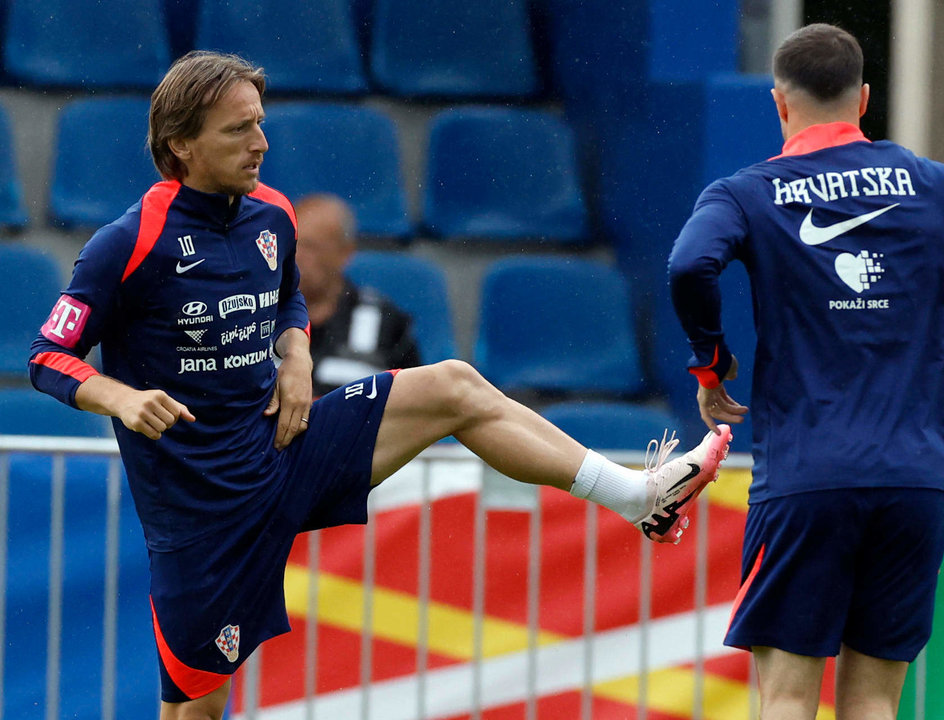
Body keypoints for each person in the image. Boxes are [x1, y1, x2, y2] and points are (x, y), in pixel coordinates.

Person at [26, 51, 732, 719]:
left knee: (454, 385)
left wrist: (296, 353)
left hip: (283, 451)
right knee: (196, 709)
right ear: (180, 144)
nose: (261, 142)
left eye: (261, 122)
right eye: (239, 129)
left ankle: (638, 495)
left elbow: (287, 296)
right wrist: (116, 395)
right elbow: (48, 355)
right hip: (201, 516)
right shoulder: (129, 242)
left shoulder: (272, 213)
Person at [667, 24, 944, 720]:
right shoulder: (934, 184)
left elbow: (690, 264)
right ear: (864, 98)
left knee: (785, 698)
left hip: (808, 479)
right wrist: (923, 283)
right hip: (912, 482)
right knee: (874, 703)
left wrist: (711, 363)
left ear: (780, 104)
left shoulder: (747, 192)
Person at [293, 193, 421, 396]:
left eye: (310, 247)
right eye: (292, 244)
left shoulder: (385, 322)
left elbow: (415, 402)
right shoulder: (259, 316)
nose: (296, 256)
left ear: (345, 253)